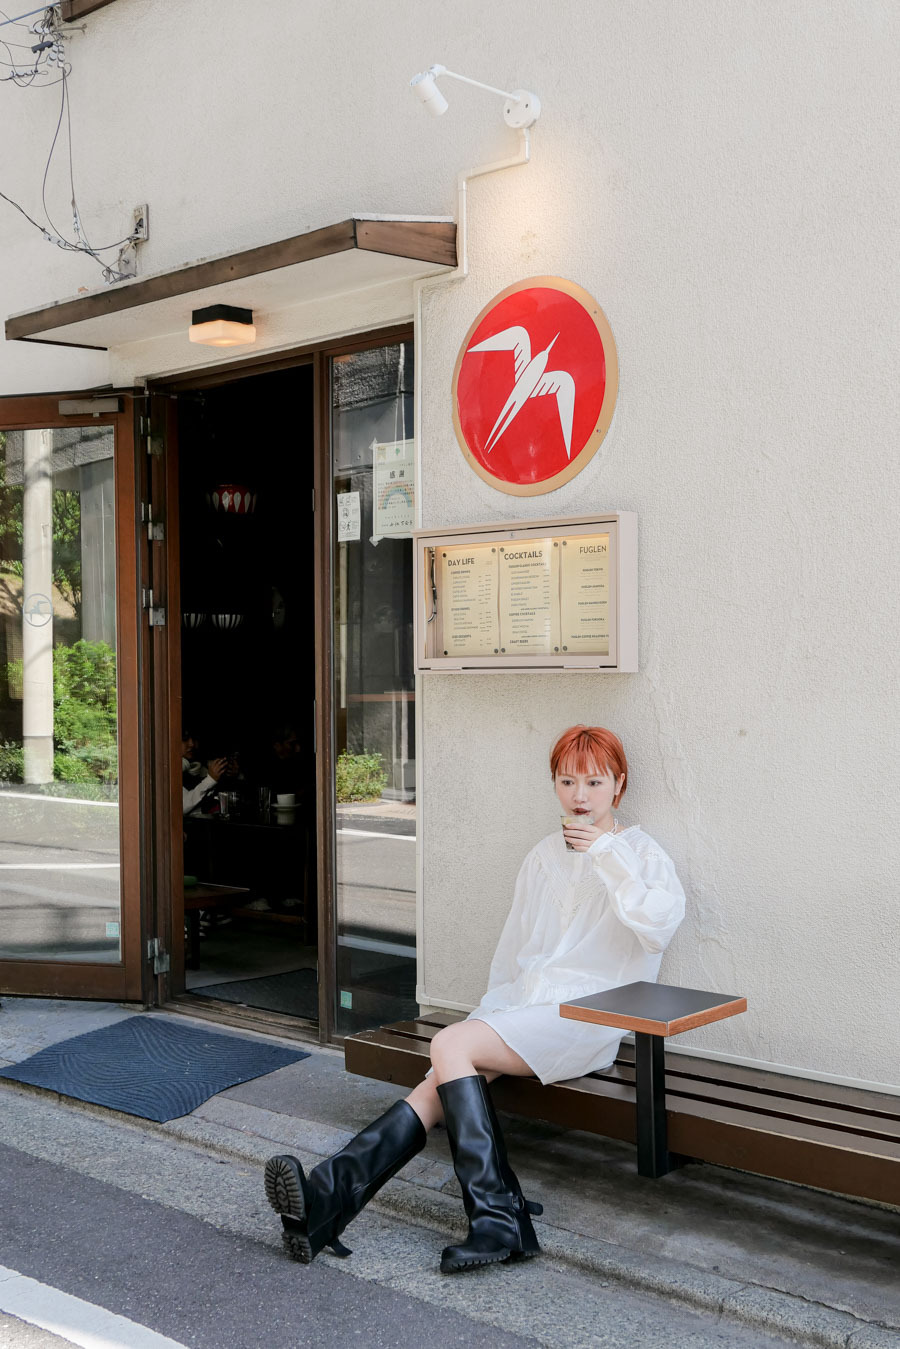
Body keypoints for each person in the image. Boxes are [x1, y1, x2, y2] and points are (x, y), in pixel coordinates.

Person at [264, 725, 686, 1274]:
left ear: (619, 784)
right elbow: (516, 956)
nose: (580, 796)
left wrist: (607, 853)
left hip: (588, 1019)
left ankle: (474, 1215)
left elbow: (657, 929)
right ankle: (334, 1200)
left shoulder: (641, 855)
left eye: (594, 782)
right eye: (566, 782)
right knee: (446, 1066)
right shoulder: (543, 856)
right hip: (528, 1012)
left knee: (450, 1047)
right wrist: (489, 1018)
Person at [181, 731, 230, 816]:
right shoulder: (166, 771)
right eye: (185, 739)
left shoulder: (199, 767)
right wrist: (211, 779)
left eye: (194, 738)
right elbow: (183, 806)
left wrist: (232, 775)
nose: (192, 744)